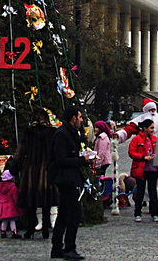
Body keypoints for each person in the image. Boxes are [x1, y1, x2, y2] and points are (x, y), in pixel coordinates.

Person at [115, 98, 158, 214]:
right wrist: (118, 135)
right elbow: (128, 131)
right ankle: (141, 205)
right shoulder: (140, 123)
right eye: (150, 110)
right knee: (142, 182)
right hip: (142, 159)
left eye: (154, 110)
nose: (152, 112)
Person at [49, 105, 91, 260]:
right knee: (74, 213)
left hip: (71, 176)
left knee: (64, 214)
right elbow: (61, 159)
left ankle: (57, 248)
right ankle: (69, 248)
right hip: (65, 178)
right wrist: (81, 160)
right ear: (73, 118)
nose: (81, 120)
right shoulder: (62, 134)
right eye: (80, 117)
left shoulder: (73, 132)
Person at [12, 108, 58, 240]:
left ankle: (30, 228)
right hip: (47, 170)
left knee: (30, 200)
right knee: (46, 200)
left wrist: (15, 168)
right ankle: (45, 228)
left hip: (31, 170)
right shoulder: (52, 133)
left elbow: (20, 151)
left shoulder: (29, 133)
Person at [129, 119, 158, 223]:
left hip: (153, 169)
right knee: (140, 192)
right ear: (145, 128)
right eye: (151, 128)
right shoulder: (136, 139)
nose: (153, 130)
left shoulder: (154, 139)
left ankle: (155, 213)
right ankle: (137, 213)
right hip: (141, 169)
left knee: (153, 192)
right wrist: (143, 157)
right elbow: (131, 153)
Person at [0, 170, 23, 239]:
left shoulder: (0, 187)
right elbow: (15, 197)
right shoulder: (12, 188)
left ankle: (3, 232)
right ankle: (14, 232)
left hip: (3, 206)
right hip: (11, 207)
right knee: (12, 220)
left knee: (4, 220)